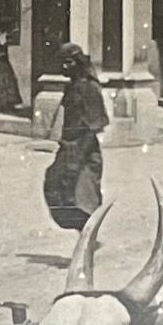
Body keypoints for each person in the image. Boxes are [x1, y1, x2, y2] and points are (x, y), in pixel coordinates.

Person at [43, 44, 109, 230]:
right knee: (56, 186)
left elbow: (92, 128)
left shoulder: (89, 88)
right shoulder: (73, 86)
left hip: (85, 151)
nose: (64, 67)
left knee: (82, 199)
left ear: (78, 62)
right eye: (63, 63)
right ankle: (85, 236)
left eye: (69, 62)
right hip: (69, 147)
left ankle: (88, 239)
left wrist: (76, 160)